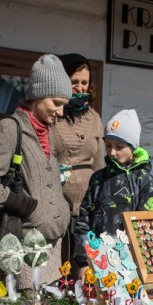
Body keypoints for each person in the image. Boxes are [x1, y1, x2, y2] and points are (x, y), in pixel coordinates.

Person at [0, 54, 73, 289]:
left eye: (64, 106)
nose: (60, 112)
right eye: (56, 103)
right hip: (26, 244)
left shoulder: (48, 131)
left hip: (55, 246)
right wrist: (22, 204)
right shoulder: (8, 130)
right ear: (37, 95)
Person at [72, 109, 153, 272]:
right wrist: (83, 261)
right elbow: (85, 219)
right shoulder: (98, 179)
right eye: (108, 145)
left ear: (133, 147)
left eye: (119, 146)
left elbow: (149, 228)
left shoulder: (145, 182)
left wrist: (145, 266)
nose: (112, 152)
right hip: (99, 261)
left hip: (132, 265)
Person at [53, 53, 105, 216]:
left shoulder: (94, 118)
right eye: (74, 82)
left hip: (87, 205)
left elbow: (98, 165)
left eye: (85, 83)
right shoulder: (52, 115)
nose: (80, 88)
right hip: (55, 204)